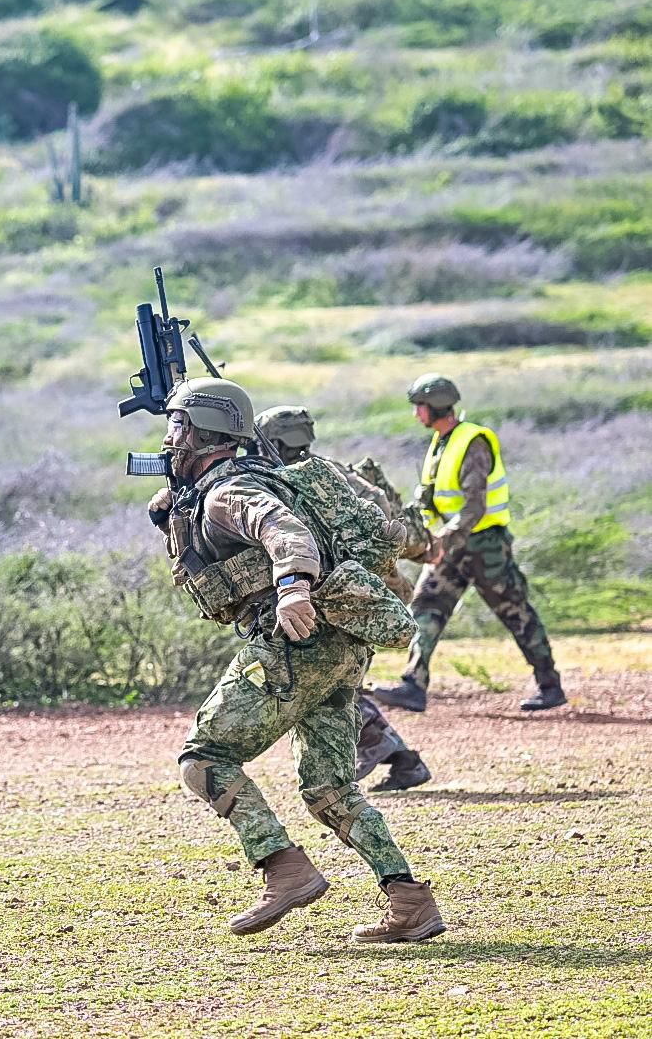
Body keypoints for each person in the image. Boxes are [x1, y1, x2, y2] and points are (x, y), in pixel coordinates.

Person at [151, 378, 444, 943]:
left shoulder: (228, 492)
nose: (169, 438)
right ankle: (410, 902)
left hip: (295, 641)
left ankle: (284, 869)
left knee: (205, 758)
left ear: (199, 431)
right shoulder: (228, 482)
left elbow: (283, 529)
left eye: (175, 426)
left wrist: (291, 588)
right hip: (339, 647)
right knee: (330, 787)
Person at [254, 406, 430, 792]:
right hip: (365, 591)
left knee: (323, 678)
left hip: (345, 594)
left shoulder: (300, 479)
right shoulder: (332, 471)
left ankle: (383, 753)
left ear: (274, 440)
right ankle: (401, 759)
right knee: (337, 678)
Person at [370, 375, 565, 714]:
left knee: (515, 611)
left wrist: (442, 539)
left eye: (420, 407)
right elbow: (435, 501)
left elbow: (474, 507)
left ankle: (550, 686)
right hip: (453, 545)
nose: (416, 414)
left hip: (485, 546)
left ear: (436, 406)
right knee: (426, 607)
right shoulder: (440, 443)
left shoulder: (472, 442)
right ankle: (413, 685)